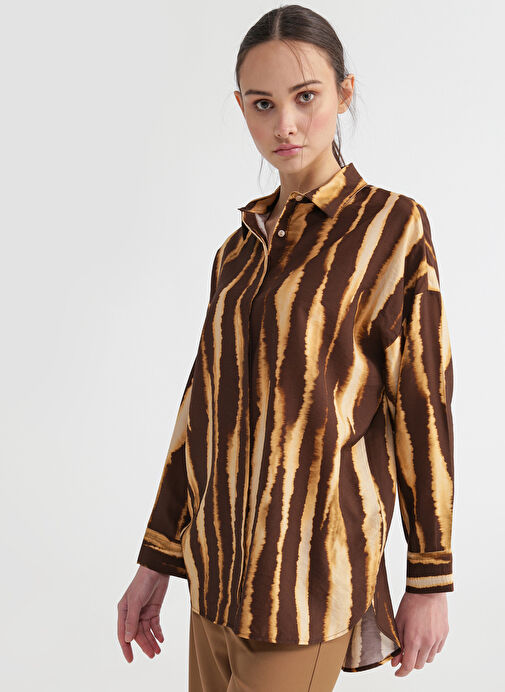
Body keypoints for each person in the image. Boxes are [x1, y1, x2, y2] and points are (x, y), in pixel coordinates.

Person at [117, 4, 455, 690]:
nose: (285, 125)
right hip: (213, 577)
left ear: (344, 93)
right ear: (241, 106)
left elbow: (422, 404)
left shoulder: (390, 228)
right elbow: (200, 410)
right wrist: (157, 558)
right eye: (262, 104)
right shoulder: (235, 252)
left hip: (306, 584)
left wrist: (430, 578)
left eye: (305, 97)